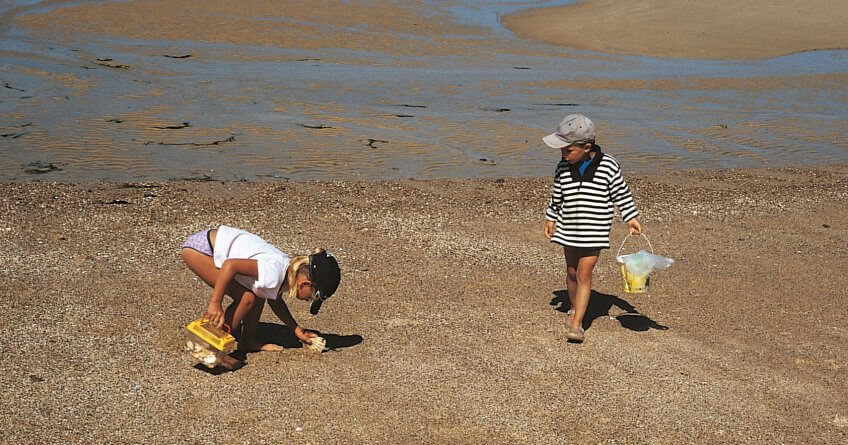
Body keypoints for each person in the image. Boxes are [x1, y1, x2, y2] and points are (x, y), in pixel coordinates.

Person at [542, 114, 642, 343]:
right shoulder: (563, 166)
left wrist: (631, 217)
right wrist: (550, 218)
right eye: (561, 150)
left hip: (594, 230)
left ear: (586, 147)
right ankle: (574, 306)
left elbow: (621, 193)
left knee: (584, 274)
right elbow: (557, 195)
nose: (563, 155)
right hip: (568, 227)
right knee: (571, 273)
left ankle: (577, 323)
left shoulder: (608, 166)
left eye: (568, 150)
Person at [181, 225, 341, 366]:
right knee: (247, 298)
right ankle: (209, 347)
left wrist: (297, 330)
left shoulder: (287, 271)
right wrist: (215, 303)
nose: (307, 300)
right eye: (311, 297)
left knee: (258, 292)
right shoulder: (274, 273)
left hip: (210, 244)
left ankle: (248, 340)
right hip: (201, 250)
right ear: (305, 284)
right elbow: (230, 265)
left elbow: (274, 300)